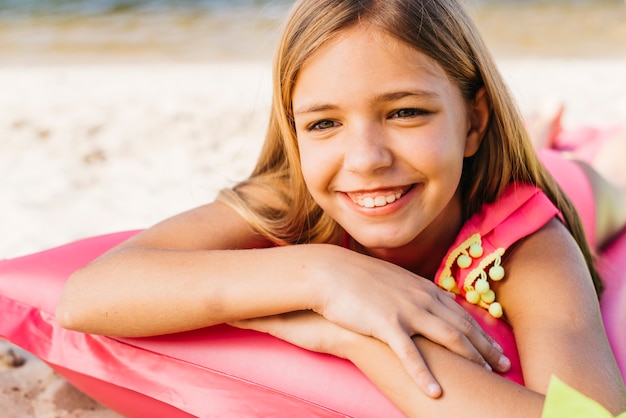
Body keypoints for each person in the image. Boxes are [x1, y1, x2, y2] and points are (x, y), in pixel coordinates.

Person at [55, 0, 626, 416]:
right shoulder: (292, 199)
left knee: (606, 178)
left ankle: (557, 141)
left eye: (405, 112)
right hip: (454, 168)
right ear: (295, 131)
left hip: (571, 189)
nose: (366, 159)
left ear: (475, 120)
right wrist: (324, 276)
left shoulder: (527, 245)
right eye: (325, 123)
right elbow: (88, 295)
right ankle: (542, 130)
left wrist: (355, 338)